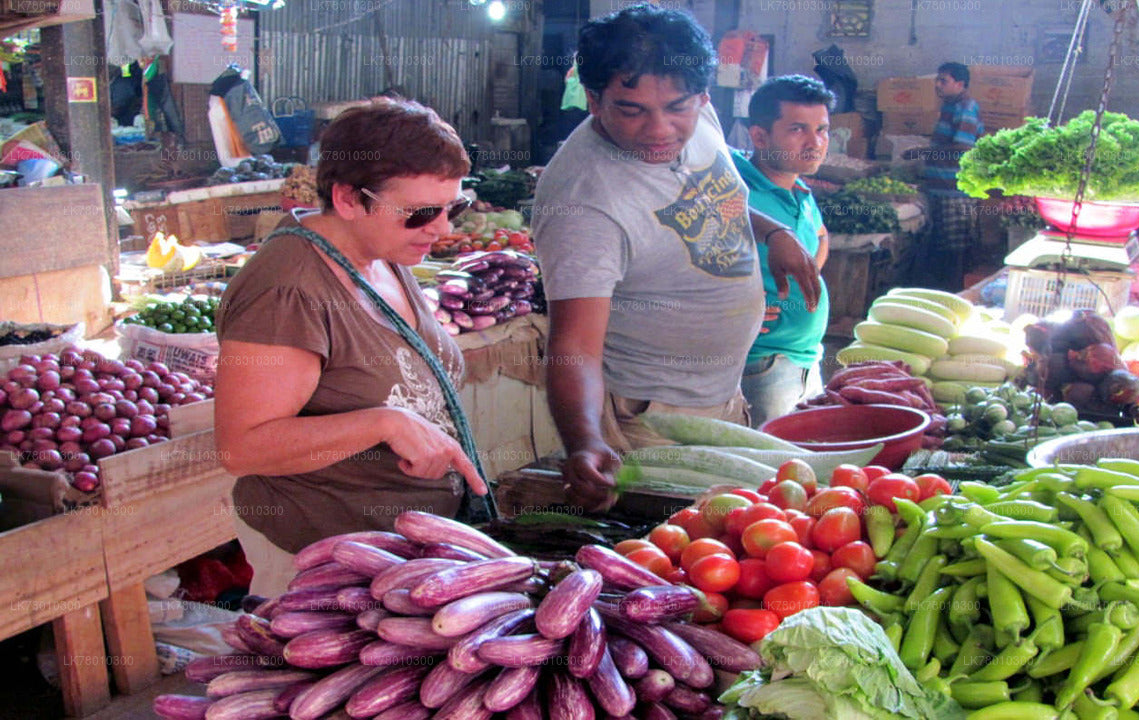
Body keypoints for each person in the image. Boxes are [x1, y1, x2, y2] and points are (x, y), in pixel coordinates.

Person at [532, 4, 821, 513]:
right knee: (676, 571)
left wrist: (773, 230)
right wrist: (584, 441)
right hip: (650, 422)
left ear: (704, 97)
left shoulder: (695, 109)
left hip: (722, 396)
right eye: (631, 109)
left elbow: (712, 191)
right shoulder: (582, 202)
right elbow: (573, 346)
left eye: (677, 107)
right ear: (594, 101)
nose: (659, 129)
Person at [214, 99, 488, 596]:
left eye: (454, 207)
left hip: (401, 552)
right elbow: (242, 447)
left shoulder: (380, 252)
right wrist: (385, 424)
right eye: (421, 212)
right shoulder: (287, 289)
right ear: (346, 199)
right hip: (326, 563)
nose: (444, 228)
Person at [732, 75, 834, 427]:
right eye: (797, 130)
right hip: (762, 366)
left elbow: (821, 236)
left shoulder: (800, 189)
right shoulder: (732, 188)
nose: (815, 143)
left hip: (807, 359)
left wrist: (811, 273)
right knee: (765, 475)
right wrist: (729, 308)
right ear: (759, 136)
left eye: (822, 129)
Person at [909, 61, 985, 290]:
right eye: (937, 80)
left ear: (960, 84)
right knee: (943, 244)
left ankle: (955, 292)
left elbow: (963, 147)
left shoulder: (966, 107)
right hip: (940, 187)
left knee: (955, 247)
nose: (937, 85)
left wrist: (922, 152)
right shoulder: (949, 107)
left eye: (944, 81)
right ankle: (943, 288)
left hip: (955, 190)